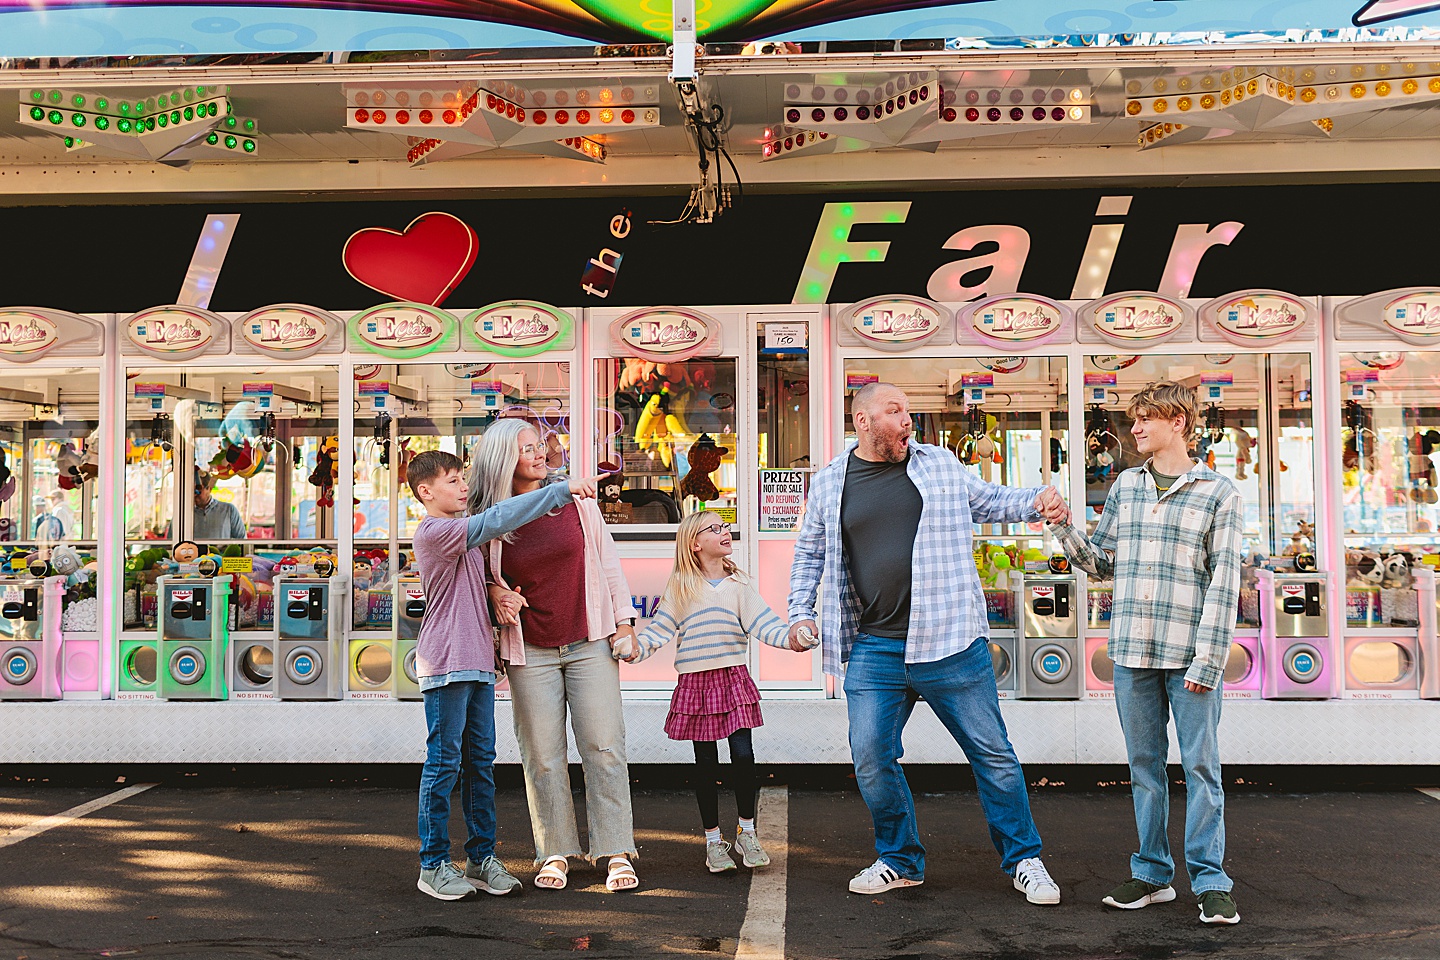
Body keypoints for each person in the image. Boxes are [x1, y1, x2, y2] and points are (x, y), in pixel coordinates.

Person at [787, 382, 1067, 902]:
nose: (907, 420)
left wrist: (1037, 499)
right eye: (895, 411)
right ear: (863, 421)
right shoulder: (829, 482)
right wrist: (800, 613)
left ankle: (1024, 859)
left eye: (909, 410)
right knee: (871, 757)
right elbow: (809, 553)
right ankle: (899, 860)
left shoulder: (938, 464)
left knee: (993, 755)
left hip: (950, 640)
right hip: (876, 645)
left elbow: (991, 501)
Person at [1046, 381, 1244, 925]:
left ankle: (1210, 881)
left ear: (1179, 422)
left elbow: (1224, 581)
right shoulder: (1126, 486)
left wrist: (1209, 660)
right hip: (1133, 652)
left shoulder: (1218, 492)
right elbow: (1102, 563)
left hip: (1190, 655)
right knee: (1144, 768)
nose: (1133, 428)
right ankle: (1153, 874)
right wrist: (1063, 526)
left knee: (1201, 768)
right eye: (1133, 419)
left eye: (1145, 419)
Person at [407, 448, 604, 901]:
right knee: (444, 764)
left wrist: (498, 593)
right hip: (447, 662)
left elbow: (475, 581)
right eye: (453, 481)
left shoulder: (462, 534)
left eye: (463, 478)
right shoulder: (436, 532)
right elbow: (497, 519)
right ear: (426, 491)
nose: (463, 487)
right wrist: (559, 491)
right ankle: (433, 864)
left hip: (478, 662)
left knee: (480, 764)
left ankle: (481, 858)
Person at [475, 420, 641, 894]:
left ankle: (615, 849)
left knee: (604, 747)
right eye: (526, 449)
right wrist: (493, 591)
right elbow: (473, 575)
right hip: (529, 649)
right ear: (502, 460)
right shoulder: (489, 516)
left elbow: (608, 562)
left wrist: (625, 621)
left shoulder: (575, 502)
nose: (539, 454)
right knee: (543, 756)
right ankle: (555, 849)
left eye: (539, 446)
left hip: (589, 641)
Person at [614, 510, 816, 874]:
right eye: (716, 528)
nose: (725, 531)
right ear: (695, 544)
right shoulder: (681, 586)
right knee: (706, 763)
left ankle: (746, 832)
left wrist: (793, 639)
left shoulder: (739, 584)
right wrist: (634, 650)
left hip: (733, 678)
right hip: (697, 683)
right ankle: (712, 841)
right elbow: (658, 631)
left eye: (725, 526)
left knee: (743, 755)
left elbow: (766, 625)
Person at [193, 471, 246, 540]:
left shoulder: (229, 510)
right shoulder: (184, 513)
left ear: (209, 489)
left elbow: (242, 539)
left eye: (198, 491)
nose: (194, 495)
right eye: (191, 491)